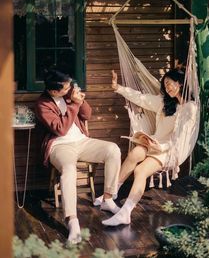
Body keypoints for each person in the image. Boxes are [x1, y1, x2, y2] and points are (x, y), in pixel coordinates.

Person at [35, 69, 121, 243]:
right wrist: (73, 104)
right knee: (69, 169)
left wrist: (80, 101)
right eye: (65, 88)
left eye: (69, 86)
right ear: (53, 91)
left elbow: (87, 115)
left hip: (81, 141)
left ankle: (108, 199)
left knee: (113, 149)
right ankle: (72, 221)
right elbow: (61, 129)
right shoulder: (42, 105)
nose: (68, 90)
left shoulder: (69, 96)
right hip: (59, 146)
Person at [101, 68, 196, 226]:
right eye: (165, 85)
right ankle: (111, 193)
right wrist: (118, 88)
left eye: (170, 84)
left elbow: (181, 139)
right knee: (135, 154)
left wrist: (162, 148)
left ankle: (125, 213)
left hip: (170, 150)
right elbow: (142, 98)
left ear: (180, 83)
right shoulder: (166, 102)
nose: (167, 88)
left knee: (140, 171)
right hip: (156, 142)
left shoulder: (190, 108)